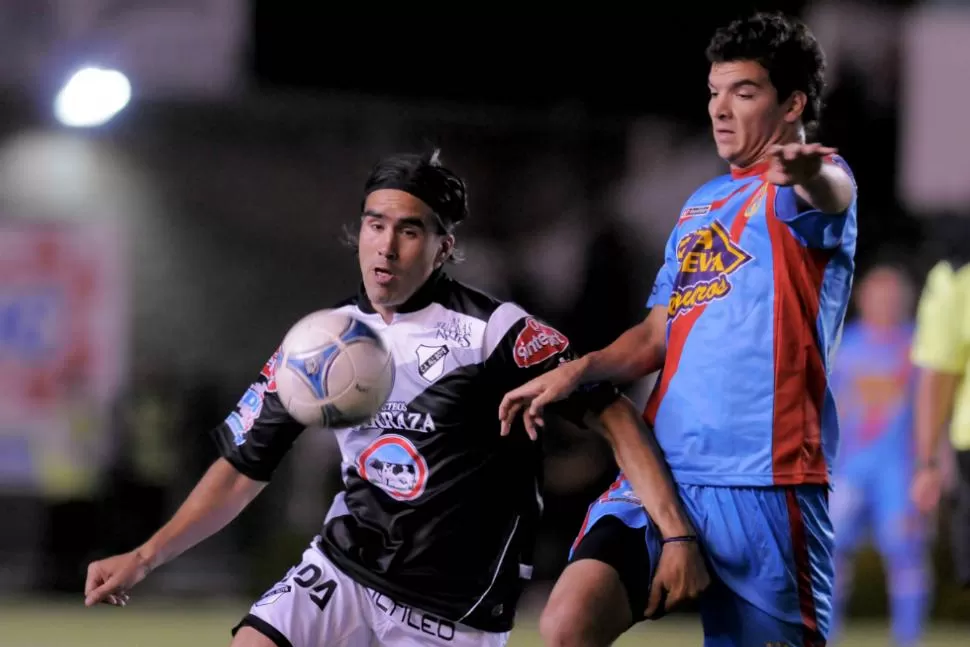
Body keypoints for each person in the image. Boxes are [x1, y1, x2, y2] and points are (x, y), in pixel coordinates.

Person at [83, 150, 708, 647]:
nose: (386, 246)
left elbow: (614, 413)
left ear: (445, 247)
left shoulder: (496, 334)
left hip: (451, 610)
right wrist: (144, 556)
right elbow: (246, 466)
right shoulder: (322, 339)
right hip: (344, 569)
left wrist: (676, 535)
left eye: (409, 230)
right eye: (376, 225)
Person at [499, 12, 857, 647]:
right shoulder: (700, 206)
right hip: (666, 475)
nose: (719, 108)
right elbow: (655, 336)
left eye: (742, 92)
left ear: (792, 102)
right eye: (714, 92)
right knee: (563, 627)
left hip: (768, 490)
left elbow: (828, 193)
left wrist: (805, 171)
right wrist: (577, 369)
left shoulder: (808, 184)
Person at [827, 264, 928, 647]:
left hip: (900, 470)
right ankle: (827, 634)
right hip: (849, 468)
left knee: (905, 553)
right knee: (831, 553)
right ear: (862, 298)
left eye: (893, 296)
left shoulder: (918, 346)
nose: (885, 303)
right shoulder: (843, 344)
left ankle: (908, 638)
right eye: (877, 295)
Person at [910, 221, 970, 590]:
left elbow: (938, 375)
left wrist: (928, 462)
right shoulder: (957, 273)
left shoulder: (957, 272)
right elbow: (938, 375)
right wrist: (928, 462)